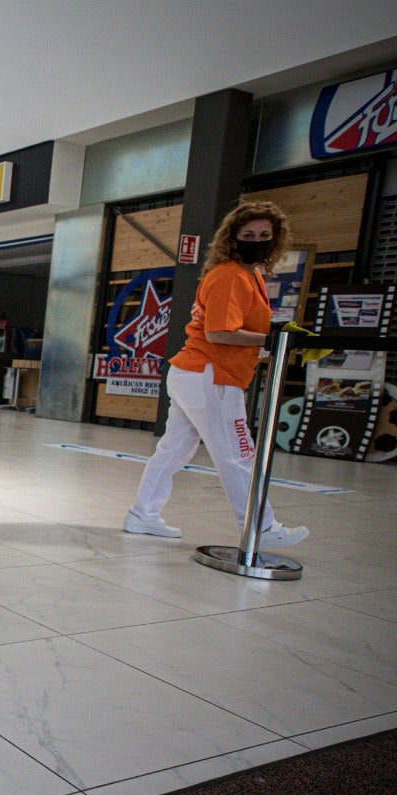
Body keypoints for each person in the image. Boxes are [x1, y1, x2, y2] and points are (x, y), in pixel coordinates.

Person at [125, 200, 309, 547]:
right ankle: (262, 529)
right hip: (212, 374)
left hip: (192, 373)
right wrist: (275, 337)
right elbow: (219, 332)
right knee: (238, 453)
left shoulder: (248, 275)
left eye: (265, 235)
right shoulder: (230, 276)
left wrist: (277, 333)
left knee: (173, 452)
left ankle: (141, 514)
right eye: (249, 234)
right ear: (232, 237)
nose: (258, 240)